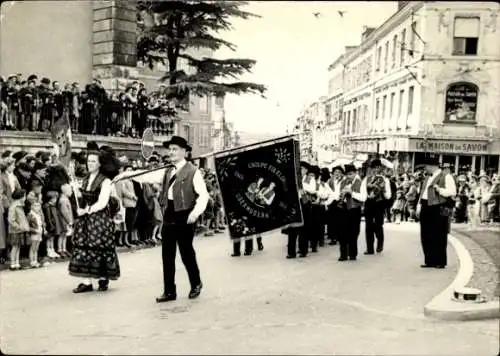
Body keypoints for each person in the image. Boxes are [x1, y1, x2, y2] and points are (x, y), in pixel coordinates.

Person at [68, 148, 121, 293]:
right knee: (83, 247)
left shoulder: (106, 181)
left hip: (100, 219)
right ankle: (86, 282)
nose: (90, 164)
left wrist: (86, 210)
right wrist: (76, 190)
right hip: (85, 220)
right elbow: (83, 198)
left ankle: (103, 278)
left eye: (93, 161)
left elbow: (102, 202)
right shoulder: (86, 179)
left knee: (99, 247)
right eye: (88, 161)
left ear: (99, 164)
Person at [416, 155, 457, 269]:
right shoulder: (427, 178)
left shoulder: (446, 176)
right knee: (426, 234)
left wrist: (440, 190)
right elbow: (422, 193)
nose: (425, 168)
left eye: (426, 166)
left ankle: (439, 261)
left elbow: (452, 192)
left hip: (439, 207)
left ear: (431, 166)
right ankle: (429, 260)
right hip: (426, 206)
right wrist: (418, 206)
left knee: (439, 234)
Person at [338, 164, 366, 261]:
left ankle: (352, 253)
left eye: (351, 174)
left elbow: (363, 197)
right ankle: (343, 254)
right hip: (344, 208)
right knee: (343, 232)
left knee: (353, 232)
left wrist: (351, 193)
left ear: (355, 173)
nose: (349, 176)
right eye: (347, 174)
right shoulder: (343, 182)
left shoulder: (360, 182)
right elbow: (339, 194)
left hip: (354, 209)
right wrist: (341, 195)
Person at [363, 158, 391, 255]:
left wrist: (382, 190)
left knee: (378, 225)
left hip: (379, 204)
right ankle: (369, 248)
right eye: (373, 168)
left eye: (377, 167)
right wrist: (368, 192)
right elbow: (363, 192)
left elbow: (389, 195)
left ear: (380, 168)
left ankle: (380, 243)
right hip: (369, 203)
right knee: (368, 226)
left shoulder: (385, 179)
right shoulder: (366, 179)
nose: (375, 169)